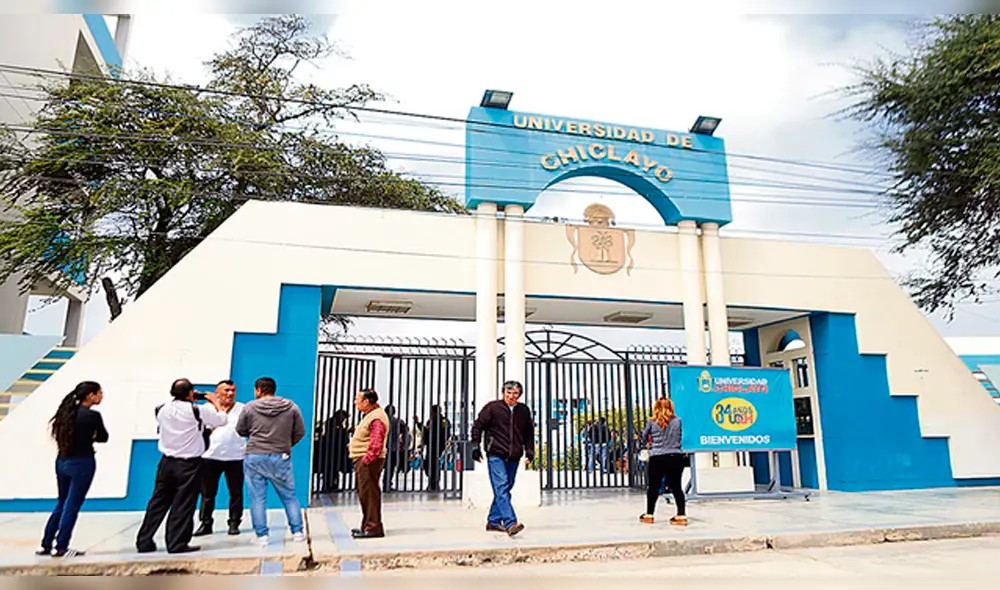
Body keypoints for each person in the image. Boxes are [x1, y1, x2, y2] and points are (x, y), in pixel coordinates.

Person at [136, 379, 229, 554]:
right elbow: (222, 420)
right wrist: (215, 402)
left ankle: (144, 540)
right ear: (190, 393)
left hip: (167, 462)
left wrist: (191, 399)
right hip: (189, 464)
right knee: (183, 504)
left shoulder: (161, 409)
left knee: (158, 502)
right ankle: (176, 543)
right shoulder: (197, 410)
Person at [36, 381, 108, 558]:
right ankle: (61, 546)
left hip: (62, 461)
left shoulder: (65, 414)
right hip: (82, 462)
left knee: (61, 503)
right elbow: (103, 436)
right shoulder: (92, 416)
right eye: (99, 393)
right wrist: (92, 436)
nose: (101, 396)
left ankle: (46, 544)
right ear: (90, 395)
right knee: (72, 505)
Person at [235, 376, 307, 546]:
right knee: (289, 496)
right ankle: (297, 532)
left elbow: (240, 429)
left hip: (255, 455)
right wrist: (286, 444)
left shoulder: (249, 407)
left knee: (257, 498)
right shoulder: (291, 406)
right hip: (280, 455)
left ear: (258, 390)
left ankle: (262, 536)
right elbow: (300, 431)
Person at [470, 380, 535, 537]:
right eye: (508, 393)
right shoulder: (492, 408)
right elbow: (478, 426)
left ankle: (493, 521)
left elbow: (528, 432)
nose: (511, 396)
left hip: (514, 455)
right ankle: (510, 523)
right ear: (503, 393)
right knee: (501, 487)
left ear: (520, 395)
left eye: (515, 393)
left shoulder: (523, 410)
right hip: (496, 454)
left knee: (505, 488)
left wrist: (530, 451)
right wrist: (475, 446)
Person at [193, 380, 245, 537]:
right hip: (210, 457)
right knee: (207, 493)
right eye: (226, 390)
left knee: (236, 493)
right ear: (217, 393)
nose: (230, 393)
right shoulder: (206, 409)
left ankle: (234, 523)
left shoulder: (242, 409)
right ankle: (205, 523)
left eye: (233, 390)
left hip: (235, 457)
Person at [638, 397, 687, 526]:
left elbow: (643, 437)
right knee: (676, 487)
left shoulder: (652, 421)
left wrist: (648, 444)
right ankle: (681, 515)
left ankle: (649, 515)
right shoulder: (677, 421)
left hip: (657, 457)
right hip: (675, 456)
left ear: (656, 407)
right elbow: (680, 436)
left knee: (653, 487)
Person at [348, 388, 389, 539]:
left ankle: (373, 527)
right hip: (365, 460)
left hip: (369, 461)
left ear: (366, 401)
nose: (355, 402)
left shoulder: (377, 417)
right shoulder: (370, 415)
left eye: (357, 399)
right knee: (365, 493)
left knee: (370, 493)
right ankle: (367, 525)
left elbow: (377, 441)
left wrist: (367, 459)